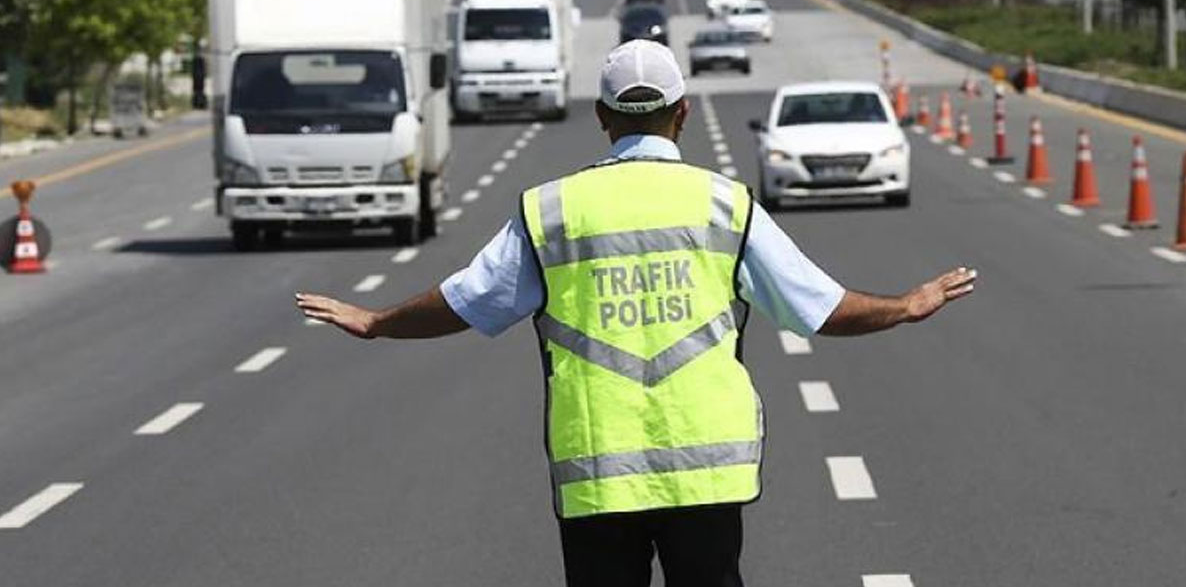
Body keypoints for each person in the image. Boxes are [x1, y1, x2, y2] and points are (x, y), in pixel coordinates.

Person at [296, 40, 977, 587]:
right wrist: (905, 306)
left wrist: (377, 320)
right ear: (681, 115)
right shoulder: (724, 204)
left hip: (598, 472)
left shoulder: (553, 211)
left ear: (601, 116)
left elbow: (467, 301)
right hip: (707, 472)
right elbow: (819, 308)